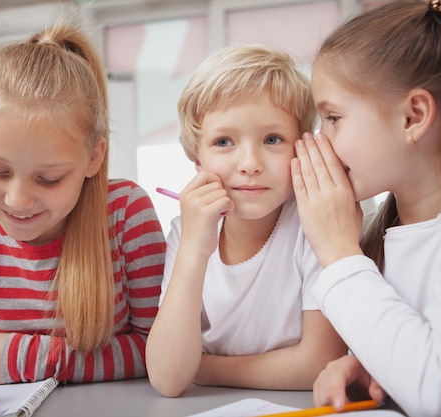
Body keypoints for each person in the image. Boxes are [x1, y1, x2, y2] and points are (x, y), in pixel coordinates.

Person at [290, 0, 441, 416]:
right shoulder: (386, 233)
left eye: (333, 117)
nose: (318, 141)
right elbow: (418, 346)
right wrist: (368, 366)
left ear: (413, 117)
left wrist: (339, 254)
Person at [0, 25, 166, 408]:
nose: (18, 200)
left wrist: (23, 357)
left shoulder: (126, 212)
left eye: (49, 178)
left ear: (94, 158)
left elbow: (160, 352)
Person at [145, 44, 347, 398]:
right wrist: (194, 249)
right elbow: (168, 378)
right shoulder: (186, 231)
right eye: (224, 142)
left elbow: (317, 362)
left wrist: (205, 370)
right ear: (197, 159)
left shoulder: (313, 223)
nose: (250, 163)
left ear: (302, 146)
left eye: (272, 139)